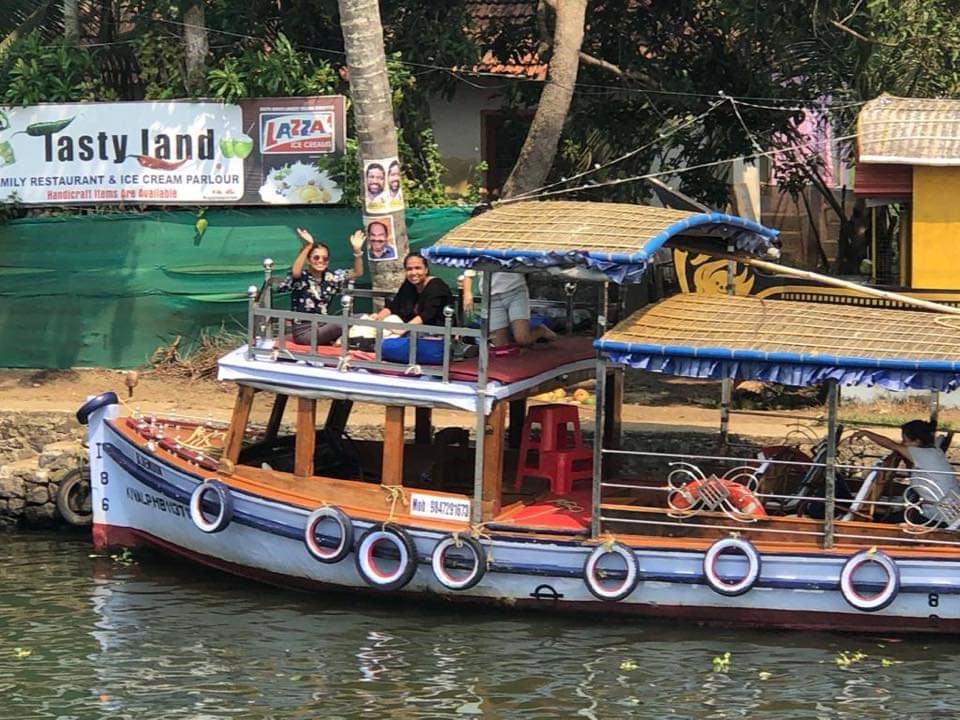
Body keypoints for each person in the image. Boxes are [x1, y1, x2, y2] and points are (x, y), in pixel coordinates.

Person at [852, 420, 959, 525]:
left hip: (939, 517)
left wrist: (865, 433)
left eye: (905, 440)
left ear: (917, 441)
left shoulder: (920, 454)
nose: (903, 444)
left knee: (885, 521)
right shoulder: (934, 451)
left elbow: (891, 444)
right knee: (892, 515)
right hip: (950, 510)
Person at [279, 227, 364, 345]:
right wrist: (308, 245)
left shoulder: (330, 277)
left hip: (323, 325)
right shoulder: (302, 276)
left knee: (362, 317)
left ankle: (348, 340)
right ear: (308, 260)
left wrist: (357, 251)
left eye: (325, 258)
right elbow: (295, 272)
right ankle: (343, 340)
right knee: (341, 322)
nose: (320, 261)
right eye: (316, 257)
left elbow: (357, 273)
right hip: (304, 331)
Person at [461, 270, 556, 347]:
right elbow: (469, 272)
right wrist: (467, 293)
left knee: (523, 339)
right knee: (500, 345)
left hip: (515, 290)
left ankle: (541, 330)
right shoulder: (482, 248)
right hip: (491, 296)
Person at [372, 252, 453, 329]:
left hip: (435, 334)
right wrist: (378, 318)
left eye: (418, 268)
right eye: (409, 269)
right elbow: (394, 306)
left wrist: (402, 330)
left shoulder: (437, 286)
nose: (413, 273)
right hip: (411, 330)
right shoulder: (409, 284)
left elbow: (427, 315)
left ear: (426, 270)